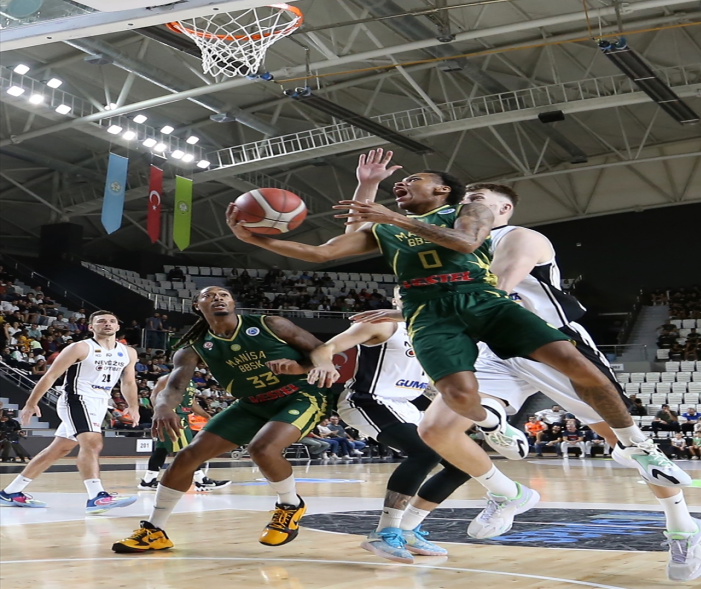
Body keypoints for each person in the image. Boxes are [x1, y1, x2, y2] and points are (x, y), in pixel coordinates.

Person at [225, 149, 651, 504]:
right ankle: (493, 432)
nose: (404, 184)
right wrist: (254, 240)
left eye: (414, 178)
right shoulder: (385, 229)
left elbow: (465, 242)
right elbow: (322, 252)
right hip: (432, 313)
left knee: (576, 368)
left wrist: (391, 217)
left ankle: (638, 448)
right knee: (458, 400)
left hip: (481, 301)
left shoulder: (466, 211)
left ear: (442, 190)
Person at [349, 176, 701, 580]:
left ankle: (684, 528)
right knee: (436, 430)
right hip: (495, 352)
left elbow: (495, 288)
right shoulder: (442, 241)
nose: (469, 205)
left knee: (625, 445)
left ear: (502, 211)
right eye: (466, 201)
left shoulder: (519, 236)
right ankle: (507, 492)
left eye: (478, 200)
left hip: (546, 343)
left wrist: (405, 312)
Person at [112, 287, 332, 552]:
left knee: (262, 449)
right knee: (187, 457)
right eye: (208, 295)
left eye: (224, 294)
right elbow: (174, 387)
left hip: (299, 395)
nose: (218, 298)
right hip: (250, 404)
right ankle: (154, 531)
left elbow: (319, 348)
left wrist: (321, 364)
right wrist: (161, 407)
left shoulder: (269, 323)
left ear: (233, 301)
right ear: (197, 305)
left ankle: (290, 505)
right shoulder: (193, 348)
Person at [304, 295, 481, 562]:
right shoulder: (384, 325)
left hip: (408, 404)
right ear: (395, 298)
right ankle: (385, 532)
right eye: (407, 292)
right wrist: (326, 362)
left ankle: (408, 529)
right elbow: (324, 348)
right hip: (368, 400)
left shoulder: (434, 331)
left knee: (464, 463)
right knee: (424, 453)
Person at [0, 311, 139, 513]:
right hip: (77, 398)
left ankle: (11, 492)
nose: (107, 324)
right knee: (92, 442)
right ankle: (96, 496)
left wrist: (133, 406)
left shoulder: (128, 352)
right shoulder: (80, 348)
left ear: (118, 327)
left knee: (59, 449)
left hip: (100, 401)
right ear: (91, 327)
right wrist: (31, 402)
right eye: (101, 321)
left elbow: (128, 382)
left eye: (112, 321)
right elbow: (51, 375)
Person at [137, 375, 231, 492]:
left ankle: (148, 481)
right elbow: (154, 396)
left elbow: (191, 403)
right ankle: (201, 481)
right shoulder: (167, 378)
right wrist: (162, 412)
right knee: (189, 451)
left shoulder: (191, 382)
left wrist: (206, 415)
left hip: (183, 416)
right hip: (172, 417)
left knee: (162, 450)